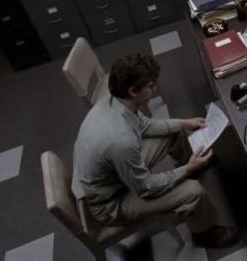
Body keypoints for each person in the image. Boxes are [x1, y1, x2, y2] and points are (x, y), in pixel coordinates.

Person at [71, 53, 238, 248]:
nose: (156, 89)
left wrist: (184, 123)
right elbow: (146, 188)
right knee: (193, 191)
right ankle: (205, 234)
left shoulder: (114, 100)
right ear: (133, 91)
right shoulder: (121, 141)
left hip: (111, 177)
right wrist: (187, 170)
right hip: (110, 204)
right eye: (150, 86)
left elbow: (144, 126)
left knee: (174, 130)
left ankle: (192, 164)